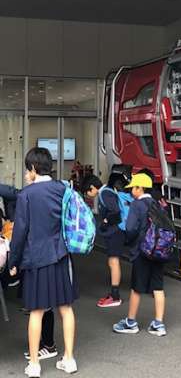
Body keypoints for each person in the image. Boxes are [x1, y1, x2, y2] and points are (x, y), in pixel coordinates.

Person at [9, 148, 78, 378]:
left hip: (36, 258)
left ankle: (35, 365)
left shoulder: (27, 195)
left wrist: (13, 261)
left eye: (27, 169)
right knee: (66, 309)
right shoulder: (63, 188)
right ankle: (69, 359)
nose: (26, 174)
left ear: (33, 168)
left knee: (36, 311)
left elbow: (19, 233)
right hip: (61, 255)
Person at [113, 173, 167, 337]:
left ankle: (131, 322)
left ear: (140, 188)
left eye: (133, 188)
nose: (131, 191)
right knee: (158, 287)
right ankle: (158, 323)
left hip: (142, 250)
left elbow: (130, 228)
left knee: (136, 287)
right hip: (158, 250)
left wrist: (128, 242)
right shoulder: (157, 204)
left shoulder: (137, 205)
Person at [82, 172, 127, 308]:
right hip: (116, 231)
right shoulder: (107, 191)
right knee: (113, 261)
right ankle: (114, 294)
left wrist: (105, 222)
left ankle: (115, 296)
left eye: (86, 192)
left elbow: (115, 211)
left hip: (115, 232)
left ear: (92, 187)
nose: (87, 195)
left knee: (113, 262)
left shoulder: (104, 193)